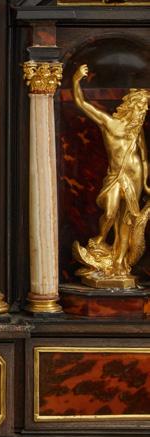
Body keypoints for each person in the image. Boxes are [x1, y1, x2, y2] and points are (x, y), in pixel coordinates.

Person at [71, 64, 150, 284]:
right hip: (116, 176)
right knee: (110, 212)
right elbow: (81, 104)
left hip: (135, 177)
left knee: (126, 221)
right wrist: (75, 80)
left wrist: (145, 182)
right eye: (140, 109)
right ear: (131, 107)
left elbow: (144, 157)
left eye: (144, 111)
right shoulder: (109, 123)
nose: (142, 114)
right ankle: (100, 238)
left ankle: (119, 263)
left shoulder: (137, 131)